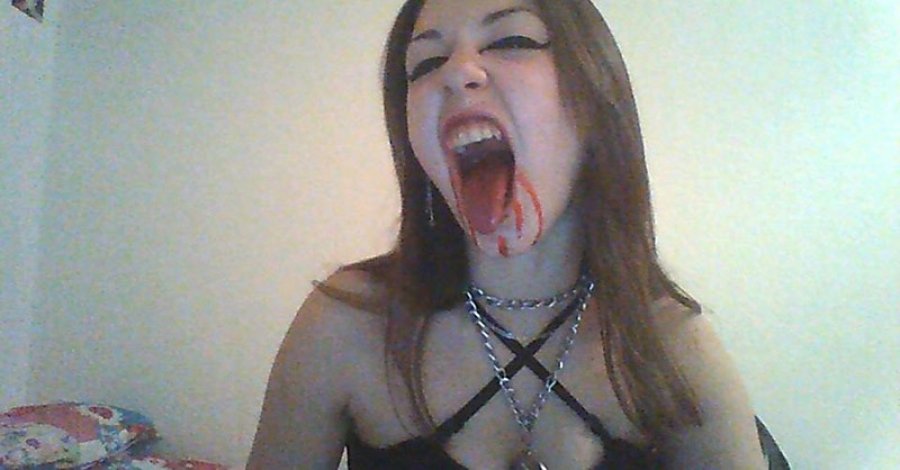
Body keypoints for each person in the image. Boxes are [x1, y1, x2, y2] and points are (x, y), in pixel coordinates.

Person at [248, 0, 770, 468]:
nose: (458, 72)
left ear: (594, 96)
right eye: (426, 64)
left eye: (511, 40)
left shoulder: (673, 346)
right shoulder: (344, 327)